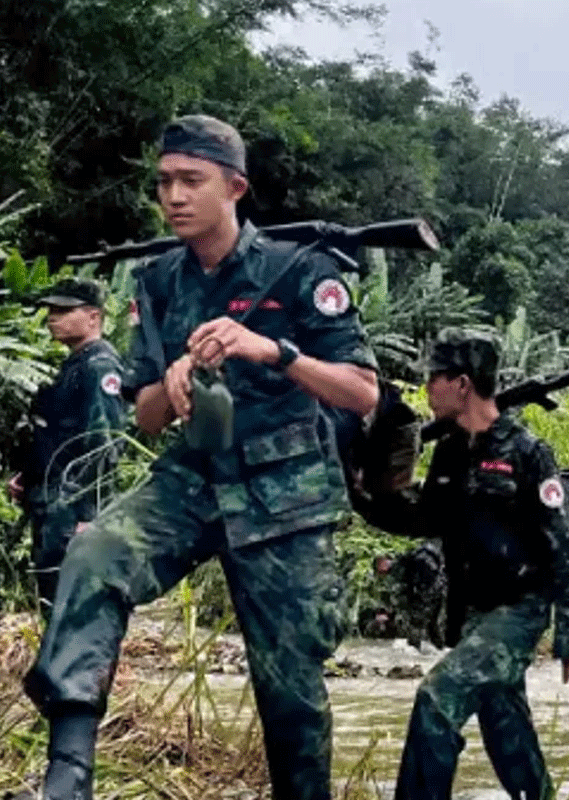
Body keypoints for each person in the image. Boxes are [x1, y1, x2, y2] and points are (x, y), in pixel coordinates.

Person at [22, 114, 380, 800]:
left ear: (235, 187)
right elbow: (146, 414)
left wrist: (272, 350)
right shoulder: (157, 283)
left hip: (287, 496)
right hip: (192, 478)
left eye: (192, 181)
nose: (174, 197)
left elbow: (363, 391)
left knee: (290, 693)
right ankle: (68, 776)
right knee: (95, 555)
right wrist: (173, 381)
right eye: (164, 183)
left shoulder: (301, 272)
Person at [393, 329, 569, 800]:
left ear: (462, 384)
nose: (427, 388)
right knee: (507, 732)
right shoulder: (449, 451)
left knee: (436, 701)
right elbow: (423, 520)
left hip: (519, 610)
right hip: (474, 613)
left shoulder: (527, 453)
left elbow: (567, 550)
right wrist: (372, 488)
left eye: (434, 378)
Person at [6, 278, 126, 617]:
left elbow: (104, 443)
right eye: (51, 310)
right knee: (51, 594)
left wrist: (91, 515)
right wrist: (27, 476)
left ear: (93, 316)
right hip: (51, 496)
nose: (52, 318)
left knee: (70, 600)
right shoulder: (75, 364)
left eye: (63, 311)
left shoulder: (98, 366)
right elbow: (58, 434)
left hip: (72, 504)